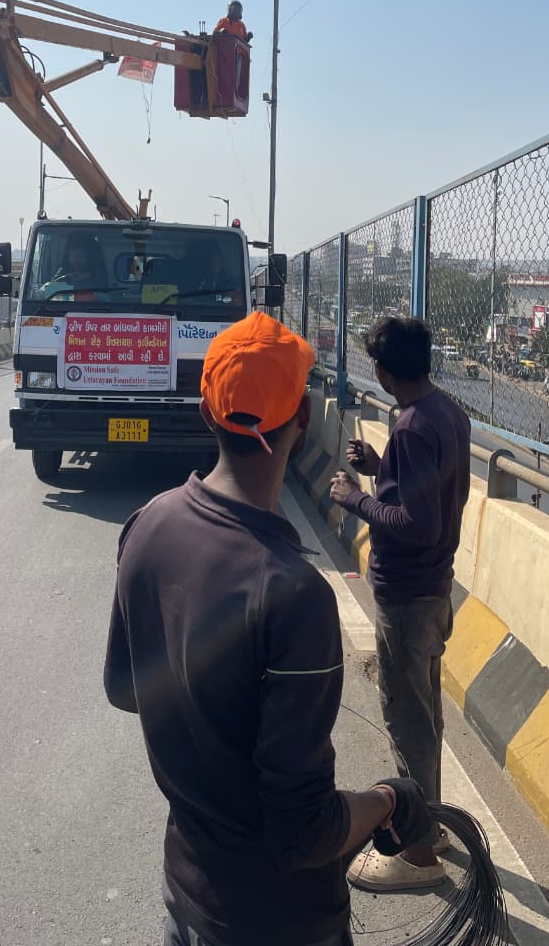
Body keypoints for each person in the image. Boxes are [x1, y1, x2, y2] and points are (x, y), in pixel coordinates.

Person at [105, 312, 434, 946]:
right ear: (305, 417)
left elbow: (126, 689)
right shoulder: (293, 594)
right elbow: (304, 833)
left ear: (207, 411)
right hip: (281, 922)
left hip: (187, 895)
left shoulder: (146, 526)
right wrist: (389, 800)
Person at [329, 315, 470, 893]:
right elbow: (426, 491)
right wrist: (380, 470)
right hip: (433, 589)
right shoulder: (446, 413)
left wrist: (356, 499)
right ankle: (429, 822)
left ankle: (416, 852)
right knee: (425, 714)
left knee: (407, 719)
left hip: (406, 595)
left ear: (383, 373)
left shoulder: (411, 426)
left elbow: (415, 521)